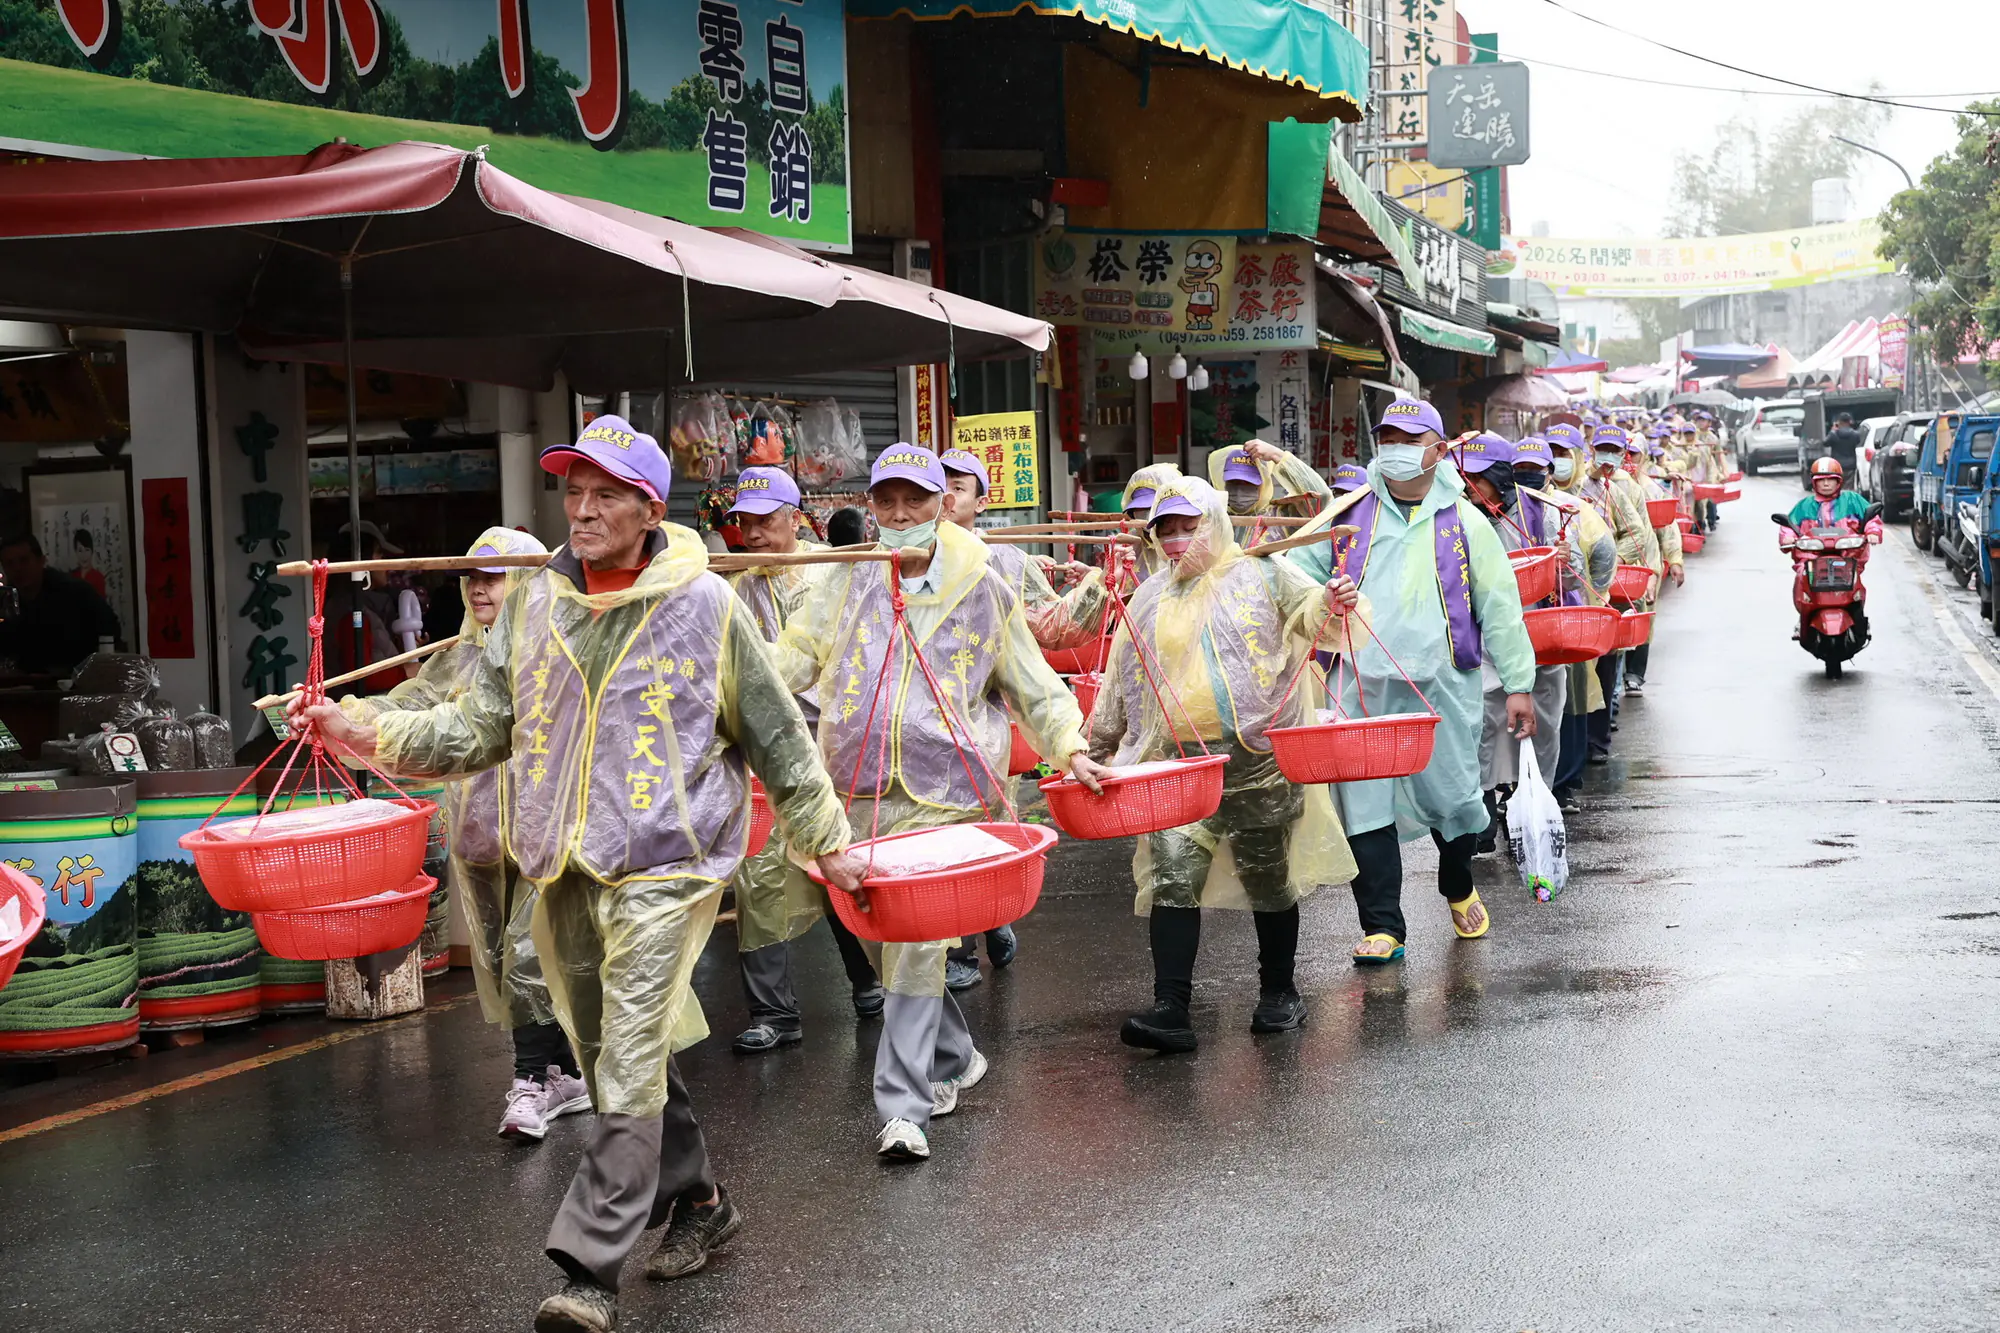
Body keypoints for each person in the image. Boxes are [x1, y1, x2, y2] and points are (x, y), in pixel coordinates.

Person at [298, 417, 864, 1333]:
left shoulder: (706, 607)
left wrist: (829, 843)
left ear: (649, 507)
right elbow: (478, 728)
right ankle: (705, 1204)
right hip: (560, 863)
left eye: (607, 493)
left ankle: (589, 1272)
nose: (586, 509)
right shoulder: (533, 605)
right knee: (612, 1061)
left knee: (633, 1050)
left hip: (669, 865)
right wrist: (358, 726)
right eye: (575, 491)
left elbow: (779, 737)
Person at [772, 445, 1112, 1162]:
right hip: (860, 793)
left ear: (939, 505)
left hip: (948, 794)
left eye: (915, 502)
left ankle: (902, 1107)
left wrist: (1073, 747)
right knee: (891, 942)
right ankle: (954, 1053)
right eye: (886, 502)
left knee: (919, 947)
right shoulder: (846, 581)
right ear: (872, 507)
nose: (899, 516)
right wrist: (726, 685)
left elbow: (1030, 680)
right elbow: (793, 657)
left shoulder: (981, 584)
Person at [1091, 474, 1361, 1052]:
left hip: (1258, 761)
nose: (1179, 541)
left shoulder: (1263, 571)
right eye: (1167, 531)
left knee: (1268, 876)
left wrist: (1332, 601)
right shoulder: (1149, 596)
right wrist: (1095, 747)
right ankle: (1172, 1007)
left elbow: (1313, 614)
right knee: (1173, 874)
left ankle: (1280, 992)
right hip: (1179, 768)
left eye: (1191, 528)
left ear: (1214, 523)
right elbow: (1123, 678)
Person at [347, 528, 591, 1140]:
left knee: (532, 955)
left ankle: (530, 1081)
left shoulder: (562, 650)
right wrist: (343, 718)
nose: (481, 588)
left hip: (551, 836)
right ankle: (563, 1074)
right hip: (484, 842)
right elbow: (409, 708)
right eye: (474, 577)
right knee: (513, 958)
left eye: (497, 576)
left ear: (531, 582)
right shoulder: (456, 658)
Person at [1284, 399, 1537, 963]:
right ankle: (1383, 926)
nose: (1395, 447)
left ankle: (1457, 883)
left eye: (1409, 437)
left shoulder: (1467, 521)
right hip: (1362, 684)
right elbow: (1295, 585)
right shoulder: (1349, 515)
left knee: (1453, 798)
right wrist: (1323, 598)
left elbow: (1500, 607)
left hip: (1445, 683)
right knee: (1363, 800)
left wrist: (1519, 683)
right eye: (1388, 436)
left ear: (1437, 449)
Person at [720, 467, 887, 1055]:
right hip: (761, 755)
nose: (756, 534)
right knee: (758, 878)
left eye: (768, 520)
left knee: (833, 865)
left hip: (828, 746)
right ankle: (773, 1011)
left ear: (796, 517)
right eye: (745, 522)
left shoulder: (834, 576)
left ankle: (868, 982)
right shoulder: (733, 585)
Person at [936, 447, 1111, 990]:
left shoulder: (1007, 561)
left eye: (957, 487)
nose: (944, 497)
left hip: (985, 717)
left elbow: (1053, 632)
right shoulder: (906, 560)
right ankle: (963, 940)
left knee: (978, 829)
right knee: (940, 841)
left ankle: (987, 924)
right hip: (921, 721)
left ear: (981, 501)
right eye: (934, 486)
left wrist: (1096, 587)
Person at [1458, 434, 1570, 851]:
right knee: (1483, 727)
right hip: (1482, 643)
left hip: (1538, 637)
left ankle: (1531, 805)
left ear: (1500, 478)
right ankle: (1482, 814)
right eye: (1465, 478)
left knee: (1541, 728)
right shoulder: (1458, 518)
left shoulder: (1542, 512)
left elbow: (1573, 577)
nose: (1470, 488)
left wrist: (1560, 562)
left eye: (1478, 480)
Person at [1537, 428, 1618, 812]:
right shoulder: (1501, 511)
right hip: (1519, 622)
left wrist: (1591, 597)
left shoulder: (1572, 507)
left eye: (1549, 459)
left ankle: (1565, 780)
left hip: (1566, 615)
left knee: (1568, 699)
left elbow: (1604, 551)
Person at [0, 532, 121, 675]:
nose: (18, 569)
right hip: (24, 687)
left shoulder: (75, 592)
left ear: (41, 561)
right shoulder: (7, 601)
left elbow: (110, 632)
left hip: (76, 682)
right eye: (10, 564)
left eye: (24, 560)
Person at [1208, 439, 1331, 545]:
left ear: (1262, 485)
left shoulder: (1282, 516)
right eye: (1233, 483)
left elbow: (1322, 498)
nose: (1240, 491)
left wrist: (1277, 456)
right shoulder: (1213, 522)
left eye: (1249, 484)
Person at [1786, 458, 1878, 531]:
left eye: (1830, 479)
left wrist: (1873, 531)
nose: (1826, 484)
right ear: (1814, 483)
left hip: (1849, 552)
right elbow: (1790, 525)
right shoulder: (1805, 505)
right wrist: (1788, 537)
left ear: (1838, 482)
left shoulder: (1852, 499)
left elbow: (1871, 519)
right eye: (1821, 480)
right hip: (1812, 553)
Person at [1825, 412, 1864, 488]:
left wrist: (1832, 430)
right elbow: (1858, 442)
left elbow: (1825, 443)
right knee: (1849, 487)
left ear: (1839, 422)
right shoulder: (1855, 434)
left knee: (1837, 487)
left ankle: (1839, 499)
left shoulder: (1834, 434)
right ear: (1850, 422)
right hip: (1851, 465)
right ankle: (1847, 499)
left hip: (1837, 465)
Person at [70, 529, 107, 598]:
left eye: (87, 550)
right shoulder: (71, 577)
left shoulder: (99, 578)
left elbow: (101, 606)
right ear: (76, 552)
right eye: (80, 550)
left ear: (92, 552)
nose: (84, 555)